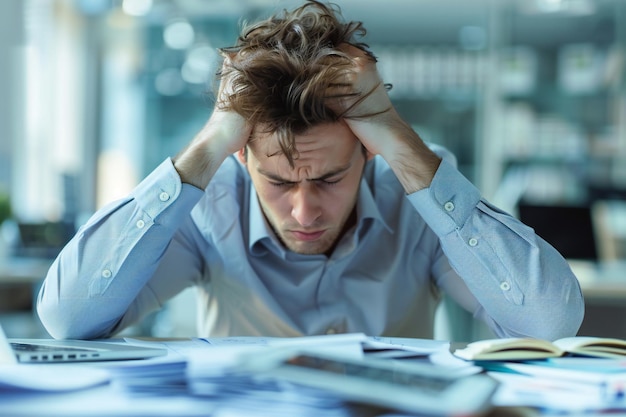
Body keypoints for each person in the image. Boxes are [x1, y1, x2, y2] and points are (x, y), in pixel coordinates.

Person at [37, 1, 584, 341]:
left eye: (327, 179)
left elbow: (548, 322)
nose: (303, 211)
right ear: (242, 155)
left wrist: (395, 136)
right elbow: (68, 318)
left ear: (366, 153)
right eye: (277, 181)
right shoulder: (214, 198)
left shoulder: (412, 192)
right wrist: (207, 146)